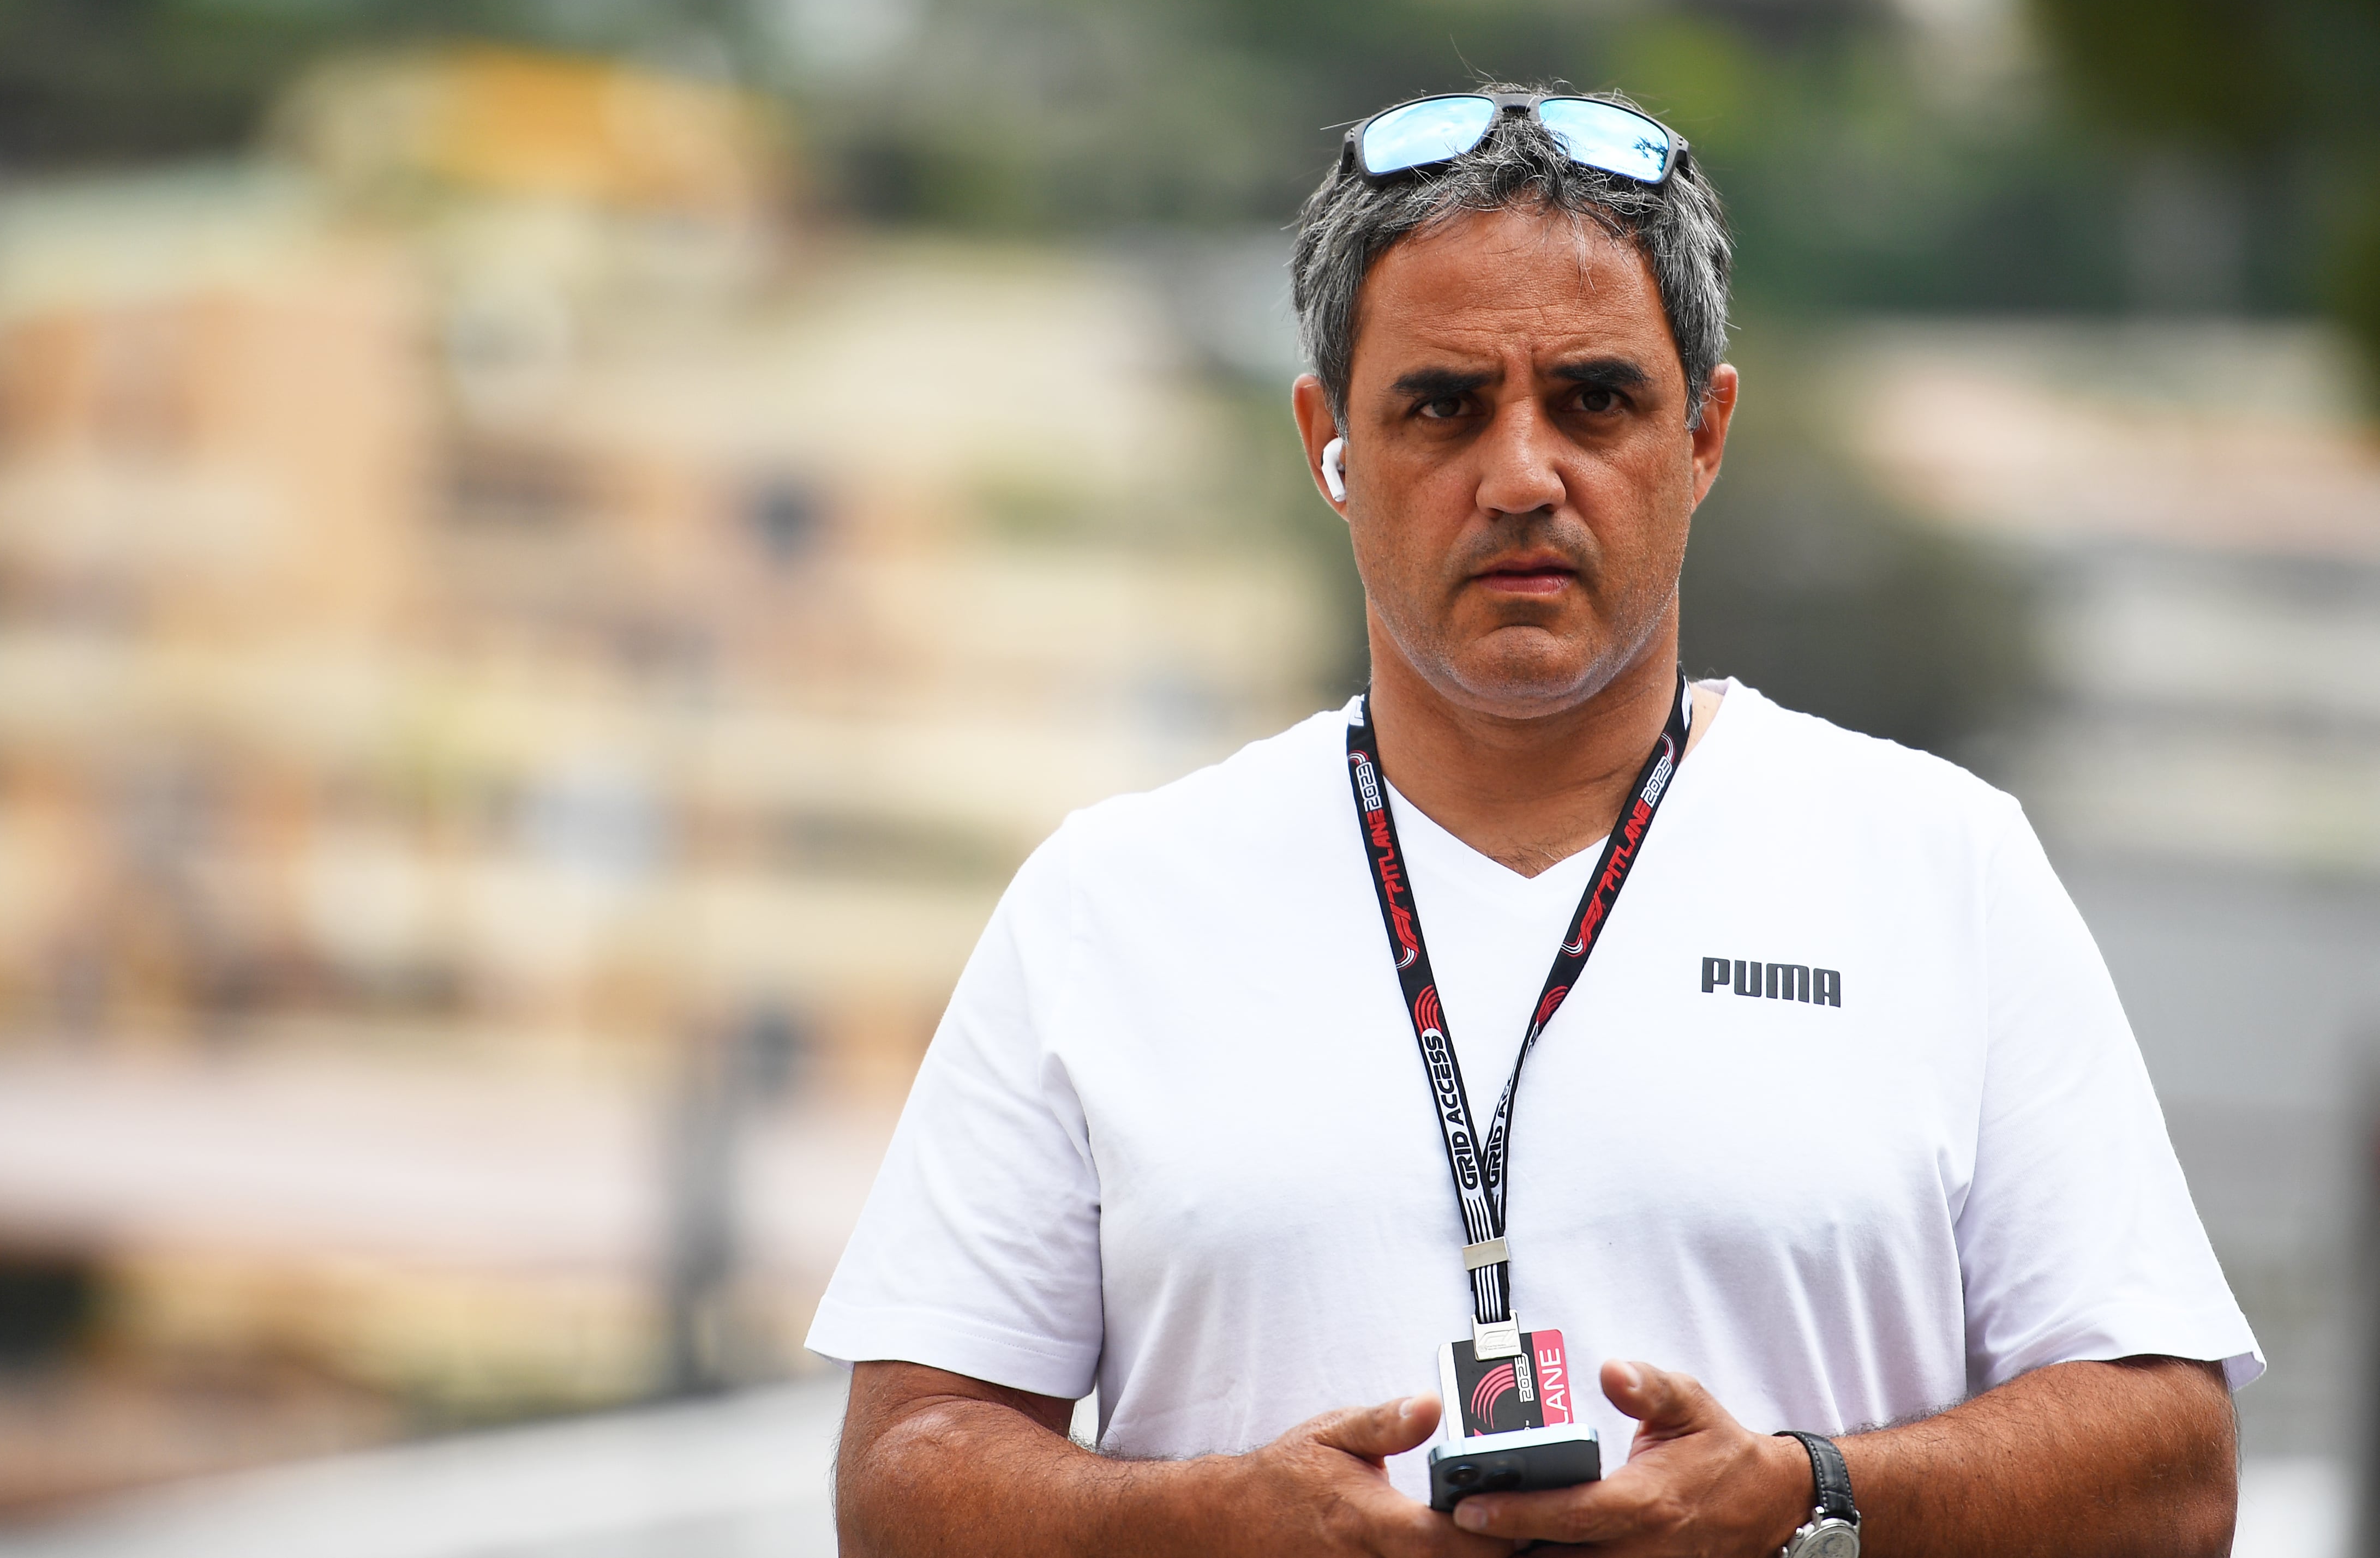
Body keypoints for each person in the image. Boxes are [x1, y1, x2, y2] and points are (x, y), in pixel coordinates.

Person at [807, 85, 2258, 1557]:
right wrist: (1212, 1525)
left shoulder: (1940, 867)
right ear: (1328, 442)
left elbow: (2175, 1473)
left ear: (1704, 434)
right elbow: (900, 1481)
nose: (1518, 476)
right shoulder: (1111, 902)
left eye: (1594, 402)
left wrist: (1808, 1495)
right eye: (1442, 406)